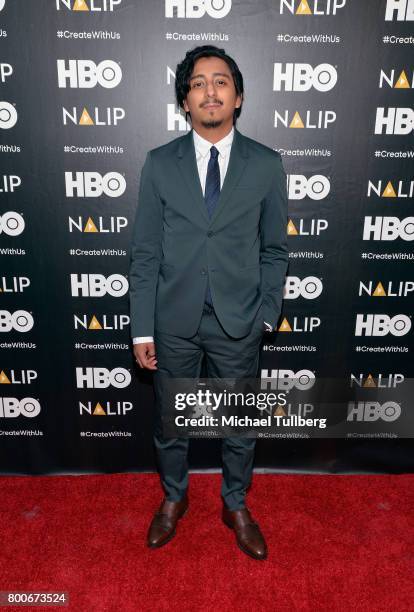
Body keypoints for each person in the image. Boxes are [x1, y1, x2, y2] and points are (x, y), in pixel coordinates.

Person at [129, 45, 288, 560]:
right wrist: (142, 329)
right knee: (170, 421)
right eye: (198, 83)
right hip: (173, 319)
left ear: (238, 97)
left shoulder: (266, 164)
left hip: (239, 320)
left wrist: (266, 312)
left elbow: (275, 250)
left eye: (221, 81)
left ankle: (235, 503)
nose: (211, 90)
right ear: (185, 101)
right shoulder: (158, 164)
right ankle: (174, 498)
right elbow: (147, 252)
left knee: (240, 422)